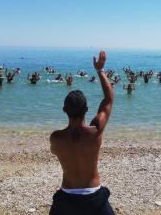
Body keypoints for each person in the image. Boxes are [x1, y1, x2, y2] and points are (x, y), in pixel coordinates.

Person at [49, 51, 115, 215]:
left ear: (64, 110)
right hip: (95, 199)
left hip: (66, 200)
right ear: (86, 109)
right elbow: (109, 98)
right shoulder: (95, 132)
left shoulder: (56, 138)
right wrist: (100, 71)